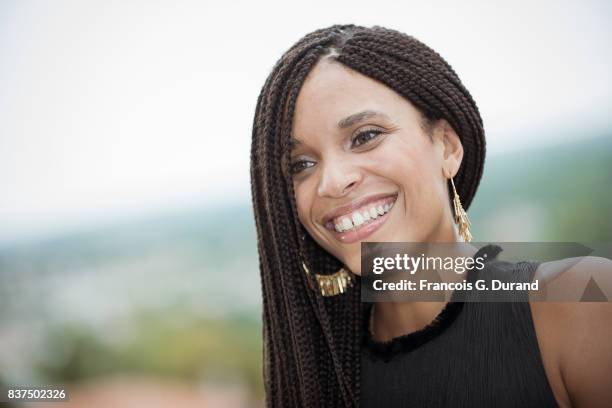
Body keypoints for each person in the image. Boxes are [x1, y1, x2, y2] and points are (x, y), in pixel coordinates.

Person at [249, 24, 612, 407]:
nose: (333, 182)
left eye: (365, 136)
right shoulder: (316, 377)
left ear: (447, 146)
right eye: (302, 163)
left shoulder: (580, 304)